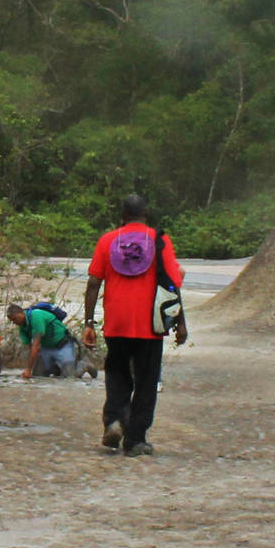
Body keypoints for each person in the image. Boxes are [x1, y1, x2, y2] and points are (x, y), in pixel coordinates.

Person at [82, 194, 186, 455]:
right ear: (146, 212)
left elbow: (93, 284)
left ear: (122, 215)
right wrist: (181, 324)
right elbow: (172, 284)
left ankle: (114, 420)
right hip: (150, 326)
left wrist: (88, 323)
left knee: (117, 375)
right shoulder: (160, 240)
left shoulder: (107, 240)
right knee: (146, 381)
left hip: (116, 323)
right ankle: (135, 440)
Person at [7, 301, 79, 379]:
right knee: (38, 377)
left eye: (15, 319)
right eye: (12, 321)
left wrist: (29, 369)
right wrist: (28, 369)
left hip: (63, 345)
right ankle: (56, 368)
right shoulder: (22, 328)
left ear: (21, 313)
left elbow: (36, 346)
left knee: (70, 377)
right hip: (46, 348)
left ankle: (85, 364)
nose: (14, 322)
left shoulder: (36, 316)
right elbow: (28, 349)